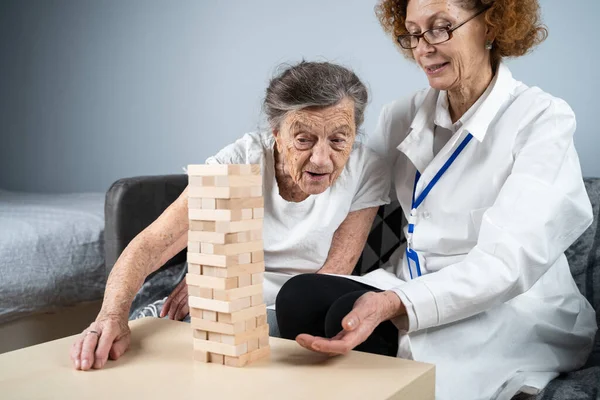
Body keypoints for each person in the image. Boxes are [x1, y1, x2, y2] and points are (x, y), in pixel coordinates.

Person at [275, 1, 597, 399]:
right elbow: (341, 190)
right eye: (413, 32)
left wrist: (393, 303)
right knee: (300, 296)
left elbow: (507, 263)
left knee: (348, 318)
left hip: (508, 304)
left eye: (441, 27)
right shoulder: (400, 115)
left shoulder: (542, 119)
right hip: (409, 281)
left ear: (492, 26)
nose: (423, 47)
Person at [70, 61, 391, 371]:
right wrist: (111, 315)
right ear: (276, 133)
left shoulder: (366, 168)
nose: (321, 159)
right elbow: (155, 241)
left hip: (298, 305)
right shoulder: (242, 159)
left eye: (338, 139)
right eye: (304, 139)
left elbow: (334, 273)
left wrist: (231, 300)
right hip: (220, 296)